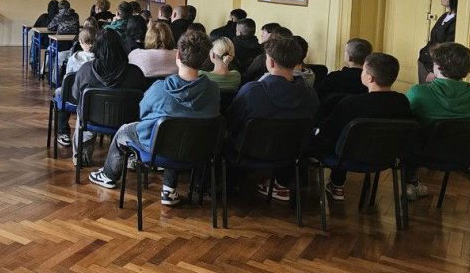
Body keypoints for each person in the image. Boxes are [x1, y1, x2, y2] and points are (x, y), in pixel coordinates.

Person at [89, 30, 220, 206]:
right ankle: (169, 190)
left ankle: (108, 175)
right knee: (180, 130)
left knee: (124, 131)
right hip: (197, 148)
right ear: (205, 60)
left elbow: (143, 113)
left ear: (178, 55)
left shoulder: (159, 88)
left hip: (159, 147)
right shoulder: (213, 90)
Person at [226, 36, 318, 201]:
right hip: (291, 153)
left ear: (271, 62)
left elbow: (232, 121)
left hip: (248, 152)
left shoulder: (252, 91)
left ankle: (230, 186)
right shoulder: (310, 94)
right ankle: (280, 184)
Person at [312, 53, 412, 201]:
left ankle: (327, 185)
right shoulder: (402, 102)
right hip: (385, 158)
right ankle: (337, 184)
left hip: (345, 158)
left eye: (363, 70)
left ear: (370, 78)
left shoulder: (351, 103)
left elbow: (328, 135)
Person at [404, 42, 470, 200]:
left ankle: (410, 182)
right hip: (464, 154)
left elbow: (402, 117)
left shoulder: (419, 92)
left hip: (425, 155)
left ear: (438, 67)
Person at [60, 30, 147, 153]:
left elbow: (75, 96)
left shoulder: (85, 70)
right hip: (126, 121)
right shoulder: (135, 73)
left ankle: (81, 155)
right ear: (121, 46)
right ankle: (129, 155)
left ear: (96, 47)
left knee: (82, 110)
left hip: (90, 119)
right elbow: (143, 99)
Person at [418, 0, 459, 83]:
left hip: (435, 69)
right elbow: (433, 40)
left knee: (431, 92)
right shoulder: (445, 15)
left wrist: (434, 71)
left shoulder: (457, 20)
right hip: (424, 62)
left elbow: (447, 49)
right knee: (423, 91)